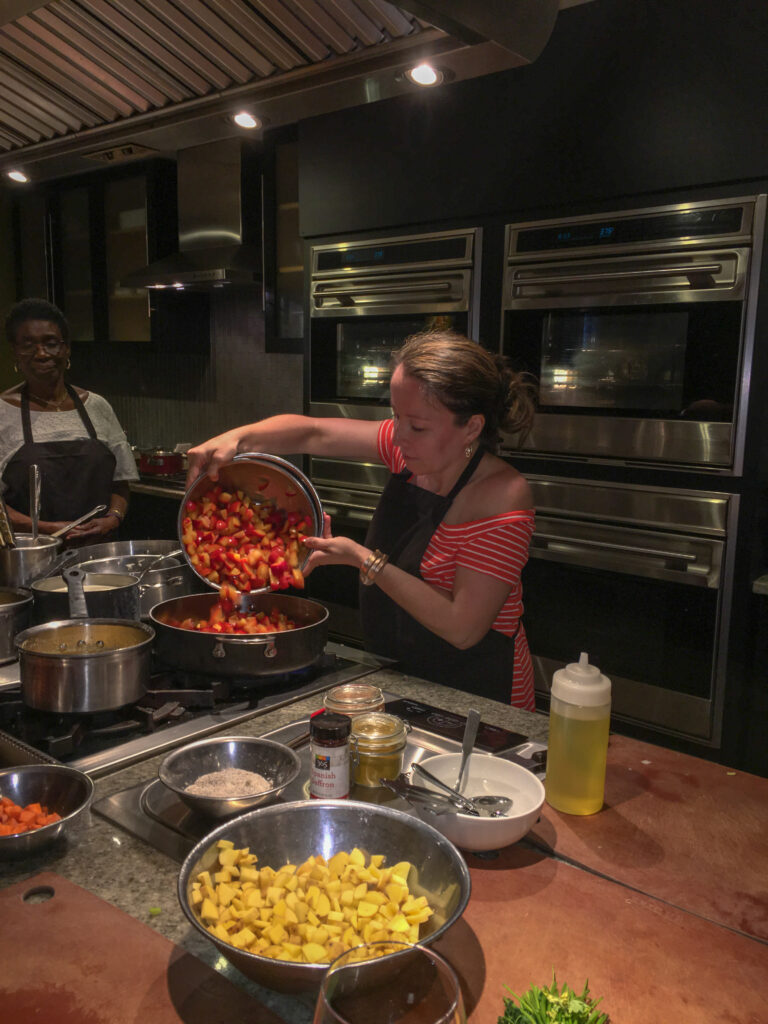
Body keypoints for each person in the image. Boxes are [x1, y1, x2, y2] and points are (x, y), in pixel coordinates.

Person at [186, 330, 537, 708]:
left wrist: (362, 558)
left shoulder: (501, 495)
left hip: (479, 694)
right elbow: (313, 433)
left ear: (471, 427)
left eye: (417, 426)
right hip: (400, 674)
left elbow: (463, 628)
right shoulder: (409, 452)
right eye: (395, 416)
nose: (399, 435)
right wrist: (237, 439)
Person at [1, 298, 138, 542]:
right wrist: (46, 528)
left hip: (99, 557)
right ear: (15, 352)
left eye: (51, 343)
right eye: (28, 344)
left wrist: (114, 517)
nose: (42, 353)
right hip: (31, 557)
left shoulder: (97, 406)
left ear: (66, 349)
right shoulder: (2, 412)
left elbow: (120, 482)